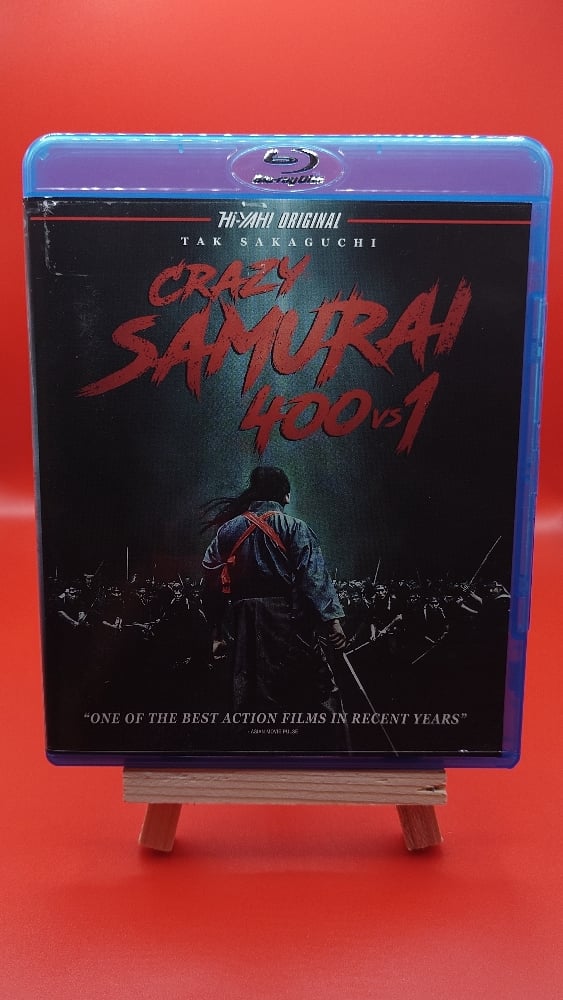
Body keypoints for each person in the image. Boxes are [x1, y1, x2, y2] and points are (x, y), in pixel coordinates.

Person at [201, 467, 346, 716]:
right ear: (286, 496)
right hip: (286, 622)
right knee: (317, 690)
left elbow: (212, 584)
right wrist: (332, 621)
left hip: (242, 625)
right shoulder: (294, 527)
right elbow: (314, 577)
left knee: (248, 695)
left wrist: (216, 634)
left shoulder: (226, 531)